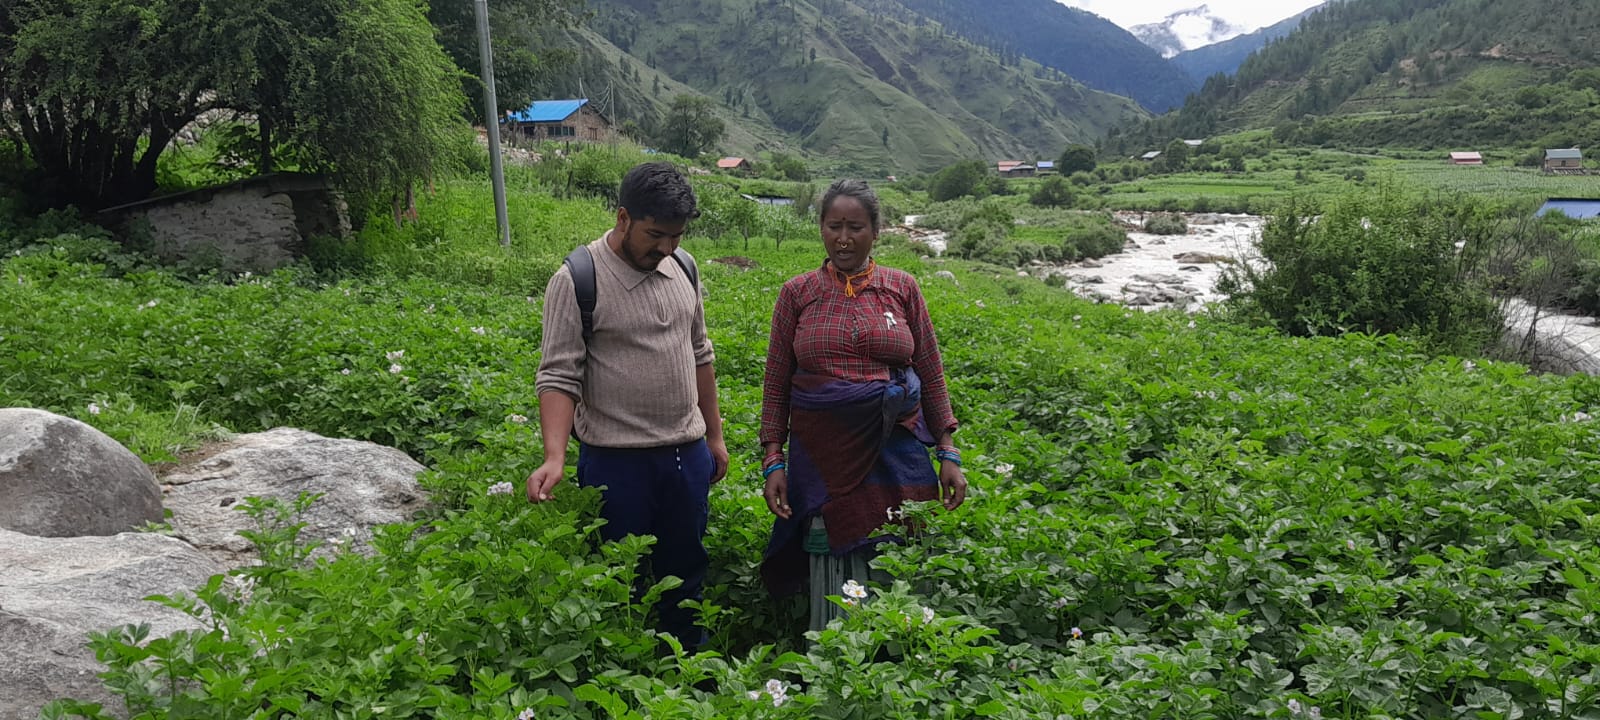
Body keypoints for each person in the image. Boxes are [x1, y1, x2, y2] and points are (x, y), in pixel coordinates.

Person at [527, 161, 729, 648]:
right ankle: (627, 677)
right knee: (622, 579)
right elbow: (558, 374)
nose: (666, 249)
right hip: (616, 462)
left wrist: (714, 436)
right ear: (622, 218)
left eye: (676, 236)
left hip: (685, 454)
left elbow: (700, 353)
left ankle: (686, 675)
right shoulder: (578, 278)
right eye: (655, 235)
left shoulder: (683, 266)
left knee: (686, 573)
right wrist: (555, 455)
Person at [758, 178, 967, 632]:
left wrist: (948, 452)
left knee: (899, 545)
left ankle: (899, 651)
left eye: (855, 227)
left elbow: (930, 370)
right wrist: (773, 460)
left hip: (898, 452)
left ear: (876, 231)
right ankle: (833, 652)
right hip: (822, 457)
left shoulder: (902, 288)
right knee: (829, 545)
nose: (843, 238)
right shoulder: (797, 294)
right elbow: (777, 382)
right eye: (834, 226)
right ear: (820, 228)